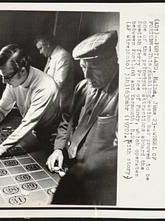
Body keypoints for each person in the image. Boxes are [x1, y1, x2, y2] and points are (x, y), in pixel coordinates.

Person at [46, 30, 119, 205]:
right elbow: (67, 120)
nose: (87, 76)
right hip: (71, 166)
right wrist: (59, 148)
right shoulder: (82, 87)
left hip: (97, 181)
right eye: (83, 68)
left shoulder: (127, 94)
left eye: (93, 69)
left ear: (111, 62)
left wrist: (85, 172)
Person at [0, 44, 60, 159]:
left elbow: (27, 123)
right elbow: (1, 109)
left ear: (22, 71)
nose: (4, 81)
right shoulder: (14, 81)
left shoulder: (45, 87)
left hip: (51, 142)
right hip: (33, 133)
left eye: (7, 77)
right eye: (1, 75)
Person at [35, 34, 76, 113]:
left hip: (60, 106)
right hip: (52, 102)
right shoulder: (52, 56)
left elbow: (58, 83)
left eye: (41, 48)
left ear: (48, 44)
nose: (40, 52)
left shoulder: (63, 56)